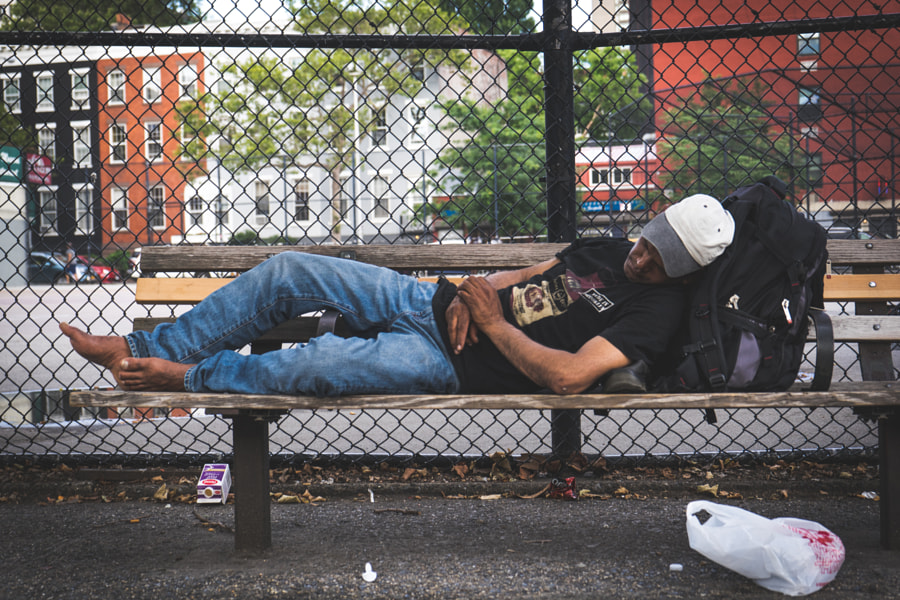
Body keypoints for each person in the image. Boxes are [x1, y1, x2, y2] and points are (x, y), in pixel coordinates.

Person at [61, 194, 734, 397]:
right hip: (428, 304)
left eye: (656, 259)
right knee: (293, 268)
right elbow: (520, 277)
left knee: (313, 368)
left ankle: (185, 377)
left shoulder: (659, 312)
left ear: (683, 272)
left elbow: (567, 377)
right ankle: (141, 347)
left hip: (459, 365)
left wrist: (493, 326)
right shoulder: (611, 248)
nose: (639, 256)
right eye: (647, 239)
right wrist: (478, 292)